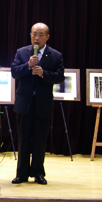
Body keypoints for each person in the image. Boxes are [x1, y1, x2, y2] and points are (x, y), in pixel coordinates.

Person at [10, 22, 64, 185]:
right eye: (34, 34)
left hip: (43, 104)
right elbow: (14, 72)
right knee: (24, 140)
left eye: (41, 34)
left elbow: (59, 76)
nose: (37, 37)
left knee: (40, 140)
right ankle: (22, 174)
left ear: (47, 37)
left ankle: (38, 173)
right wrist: (28, 65)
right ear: (30, 35)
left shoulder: (55, 55)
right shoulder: (22, 52)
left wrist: (43, 73)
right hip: (24, 103)